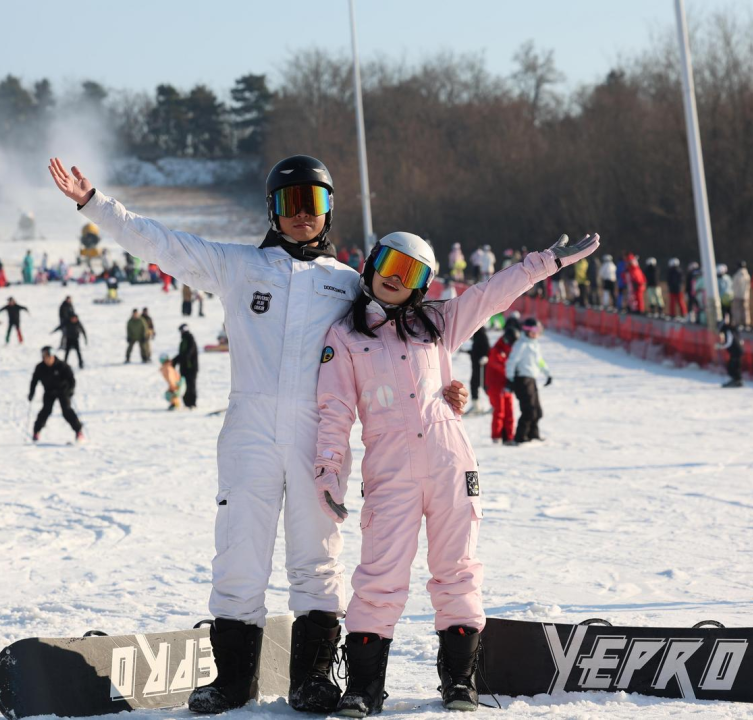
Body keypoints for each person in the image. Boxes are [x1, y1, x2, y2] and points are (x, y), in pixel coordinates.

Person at [50, 154, 470, 715]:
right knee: (239, 553)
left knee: (317, 557)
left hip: (317, 435)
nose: (303, 215)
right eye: (291, 203)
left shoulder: (349, 285)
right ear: (273, 209)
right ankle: (232, 681)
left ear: (328, 211)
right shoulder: (239, 267)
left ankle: (313, 679)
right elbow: (161, 243)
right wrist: (94, 203)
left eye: (314, 203)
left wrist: (443, 389)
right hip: (248, 429)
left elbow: (403, 341)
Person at [314, 231, 599, 715]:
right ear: (370, 266)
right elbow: (334, 409)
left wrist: (541, 263)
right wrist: (328, 470)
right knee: (379, 576)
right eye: (387, 264)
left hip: (451, 464)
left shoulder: (439, 323)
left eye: (408, 273)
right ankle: (363, 687)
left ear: (422, 285)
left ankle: (460, 682)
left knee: (457, 572)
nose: (392, 279)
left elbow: (491, 294)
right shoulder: (345, 337)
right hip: (390, 471)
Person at [506, 317, 552, 444]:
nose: (536, 333)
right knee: (529, 410)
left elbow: (540, 362)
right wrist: (509, 379)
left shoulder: (534, 345)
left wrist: (548, 374)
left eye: (538, 331)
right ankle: (521, 437)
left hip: (532, 379)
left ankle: (533, 434)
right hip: (522, 379)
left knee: (537, 410)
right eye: (534, 331)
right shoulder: (521, 344)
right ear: (527, 331)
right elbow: (511, 362)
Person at [29, 346, 83, 441]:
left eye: (48, 357)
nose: (47, 359)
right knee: (46, 410)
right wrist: (31, 393)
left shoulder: (62, 366)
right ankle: (36, 432)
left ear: (53, 356)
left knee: (66, 410)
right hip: (49, 391)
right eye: (44, 357)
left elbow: (71, 380)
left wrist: (70, 391)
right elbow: (34, 380)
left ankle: (78, 431)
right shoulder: (40, 367)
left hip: (63, 391)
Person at [485, 317, 519, 445]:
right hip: (495, 386)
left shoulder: (509, 349)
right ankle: (497, 437)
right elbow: (503, 366)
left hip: (506, 385)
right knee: (499, 412)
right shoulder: (496, 350)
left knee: (509, 411)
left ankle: (509, 437)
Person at [173, 323, 199, 409]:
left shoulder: (190, 340)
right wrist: (174, 361)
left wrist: (179, 359)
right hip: (184, 368)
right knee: (184, 385)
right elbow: (181, 354)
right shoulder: (183, 341)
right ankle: (187, 402)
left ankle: (192, 403)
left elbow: (188, 353)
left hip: (191, 368)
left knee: (191, 385)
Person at [467, 326, 490, 411]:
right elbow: (477, 350)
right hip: (476, 366)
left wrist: (485, 357)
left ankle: (496, 404)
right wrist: (468, 351)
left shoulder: (482, 335)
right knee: (473, 384)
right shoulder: (476, 336)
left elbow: (487, 349)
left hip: (482, 366)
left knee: (485, 385)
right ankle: (476, 406)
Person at [716, 320, 744, 388]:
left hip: (736, 351)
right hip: (736, 350)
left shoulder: (728, 331)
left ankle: (736, 380)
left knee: (732, 366)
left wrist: (721, 346)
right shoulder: (732, 329)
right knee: (734, 365)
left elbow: (729, 342)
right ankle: (737, 380)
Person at [731, 261, 751, 328]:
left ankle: (738, 323)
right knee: (745, 309)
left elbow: (734, 286)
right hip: (746, 295)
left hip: (737, 295)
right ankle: (746, 323)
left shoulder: (737, 275)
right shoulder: (747, 275)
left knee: (737, 309)